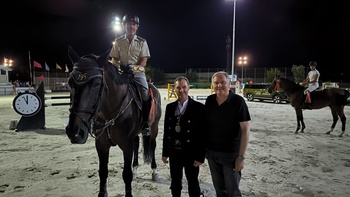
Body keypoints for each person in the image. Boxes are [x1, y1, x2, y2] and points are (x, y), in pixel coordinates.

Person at [204, 71, 251, 197]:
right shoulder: (210, 100)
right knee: (220, 190)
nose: (219, 85)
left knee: (233, 191)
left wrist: (241, 157)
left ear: (229, 84)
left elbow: (245, 130)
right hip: (212, 154)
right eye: (216, 83)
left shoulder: (238, 102)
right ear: (212, 85)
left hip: (230, 156)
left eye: (223, 82)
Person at [162, 76, 206, 197]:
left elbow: (203, 134)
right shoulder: (170, 107)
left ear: (188, 88)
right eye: (178, 88)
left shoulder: (199, 108)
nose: (181, 90)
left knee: (192, 181)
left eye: (184, 87)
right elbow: (167, 132)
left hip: (191, 153)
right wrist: (165, 152)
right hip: (175, 152)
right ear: (174, 89)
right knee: (175, 181)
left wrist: (201, 156)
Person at [109, 13, 151, 136]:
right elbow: (114, 58)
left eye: (133, 24)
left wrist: (134, 69)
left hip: (137, 73)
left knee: (145, 92)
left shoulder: (142, 42)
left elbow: (144, 60)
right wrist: (118, 67)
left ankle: (146, 122)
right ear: (123, 26)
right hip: (121, 72)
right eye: (128, 24)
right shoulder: (118, 41)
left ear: (137, 27)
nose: (130, 26)